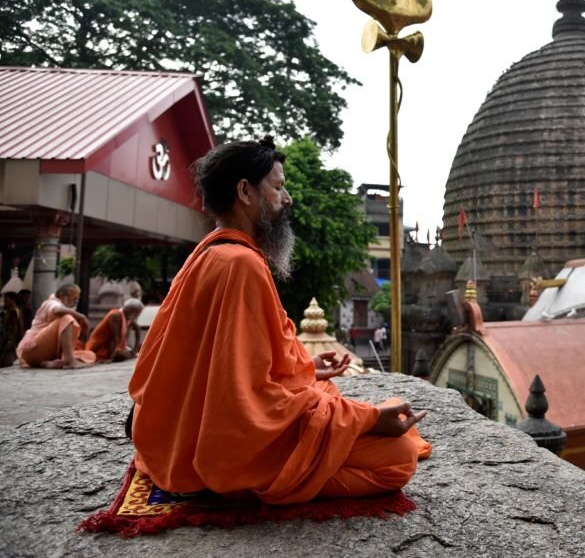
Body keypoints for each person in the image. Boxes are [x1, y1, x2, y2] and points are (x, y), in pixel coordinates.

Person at [129, 136, 429, 505]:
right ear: (245, 191)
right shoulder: (241, 264)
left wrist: (307, 368)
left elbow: (229, 367)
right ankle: (242, 484)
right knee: (398, 459)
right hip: (223, 447)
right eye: (278, 186)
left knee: (338, 403)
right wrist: (366, 419)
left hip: (180, 435)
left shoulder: (207, 254)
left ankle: (258, 473)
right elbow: (244, 401)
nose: (287, 198)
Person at [16, 283, 96, 369]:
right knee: (66, 318)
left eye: (77, 299)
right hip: (31, 349)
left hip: (40, 354)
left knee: (90, 355)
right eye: (74, 298)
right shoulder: (51, 302)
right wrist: (81, 316)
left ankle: (45, 363)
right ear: (63, 296)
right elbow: (57, 310)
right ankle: (69, 360)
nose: (76, 302)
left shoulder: (61, 307)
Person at [85, 298, 144, 362]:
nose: (137, 315)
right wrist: (110, 358)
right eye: (137, 313)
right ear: (131, 310)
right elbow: (114, 338)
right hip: (99, 348)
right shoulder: (115, 315)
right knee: (122, 355)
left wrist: (134, 349)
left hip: (114, 348)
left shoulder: (127, 317)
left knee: (132, 353)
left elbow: (137, 329)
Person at [1, 291, 27, 367]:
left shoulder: (14, 311)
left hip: (11, 340)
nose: (5, 302)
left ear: (13, 300)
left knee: (6, 361)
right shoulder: (10, 311)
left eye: (6, 300)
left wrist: (10, 341)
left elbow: (14, 327)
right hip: (8, 339)